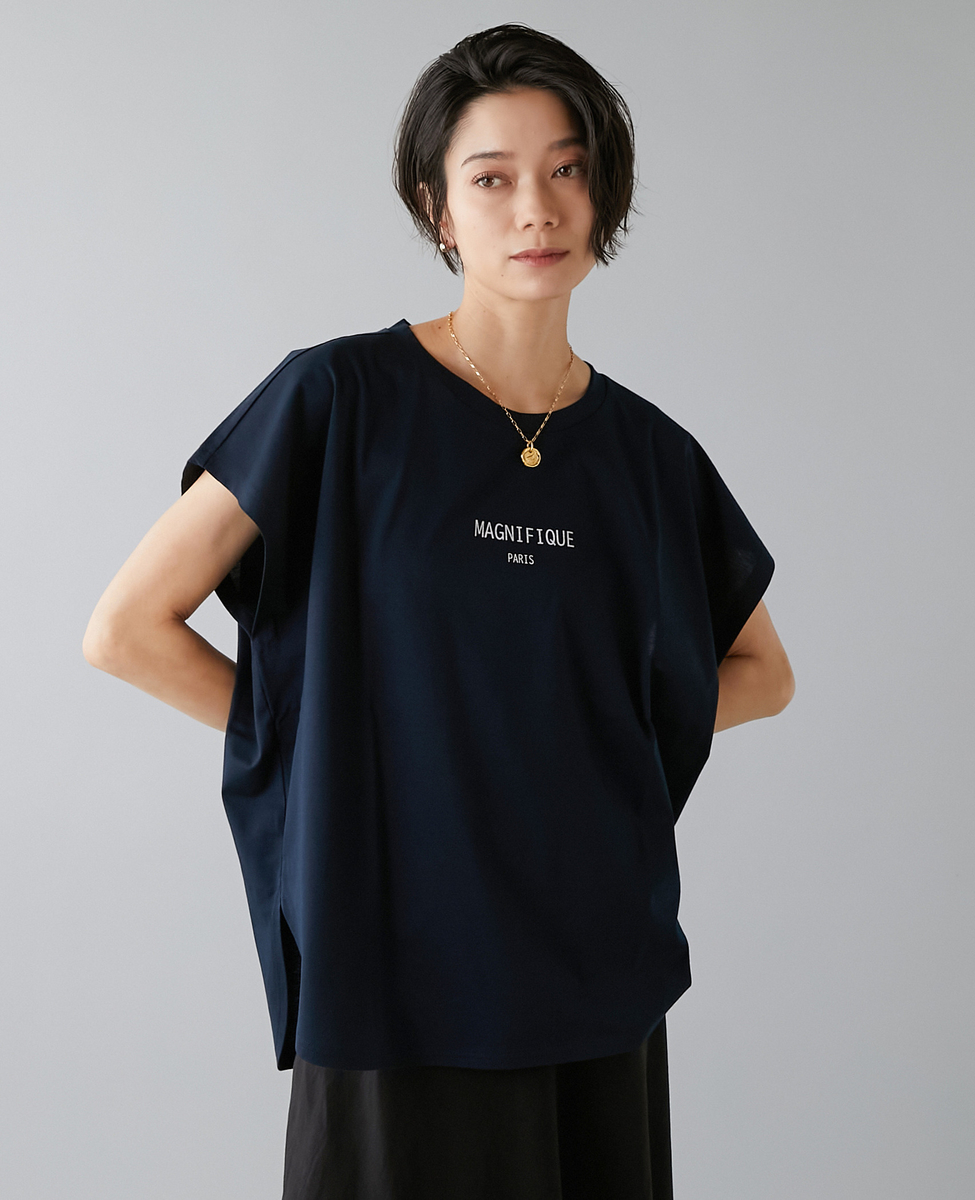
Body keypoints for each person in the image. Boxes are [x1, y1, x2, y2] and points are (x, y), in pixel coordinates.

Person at [83, 22, 794, 1200]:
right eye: (493, 178)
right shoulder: (338, 400)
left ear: (605, 193)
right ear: (438, 208)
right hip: (392, 950)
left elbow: (765, 671)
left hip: (592, 954)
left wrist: (589, 746)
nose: (537, 209)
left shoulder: (650, 457)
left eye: (568, 169)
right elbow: (126, 629)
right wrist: (329, 749)